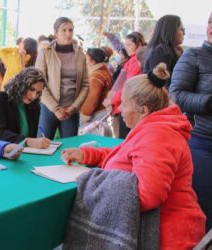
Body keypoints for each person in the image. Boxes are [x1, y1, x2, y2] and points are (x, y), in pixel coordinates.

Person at [62, 63, 206, 249]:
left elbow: (146, 195)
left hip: (166, 240)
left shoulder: (158, 135)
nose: (119, 109)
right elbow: (127, 155)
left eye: (124, 103)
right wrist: (88, 154)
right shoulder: (153, 127)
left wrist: (94, 179)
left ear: (143, 110)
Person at [169, 12, 212, 230]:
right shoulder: (193, 56)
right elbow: (175, 94)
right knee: (204, 208)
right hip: (202, 143)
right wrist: (208, 102)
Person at [35, 17, 89, 139]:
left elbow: (85, 84)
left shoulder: (81, 54)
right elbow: (38, 84)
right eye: (64, 30)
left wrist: (74, 107)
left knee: (69, 149)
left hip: (71, 110)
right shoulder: (45, 53)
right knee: (42, 145)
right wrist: (56, 108)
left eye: (70, 30)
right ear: (55, 33)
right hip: (49, 107)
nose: (68, 33)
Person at [0, 67, 51, 149]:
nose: (34, 96)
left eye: (38, 92)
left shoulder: (34, 106)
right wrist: (27, 141)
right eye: (31, 89)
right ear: (20, 84)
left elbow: (32, 137)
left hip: (22, 152)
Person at [108, 31, 146, 138]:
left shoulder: (135, 62)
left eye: (129, 45)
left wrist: (112, 100)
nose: (127, 48)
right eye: (126, 45)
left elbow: (128, 87)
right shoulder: (131, 61)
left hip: (127, 106)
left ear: (138, 45)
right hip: (123, 105)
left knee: (123, 140)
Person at [143, 14, 185, 87]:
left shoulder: (171, 50)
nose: (184, 33)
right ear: (170, 31)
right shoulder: (161, 51)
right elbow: (161, 82)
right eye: (181, 29)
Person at [80, 48, 112, 128]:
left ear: (93, 62)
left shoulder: (96, 76)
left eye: (86, 59)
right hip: (102, 111)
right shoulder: (103, 71)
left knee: (91, 137)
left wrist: (84, 115)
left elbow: (91, 100)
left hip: (96, 113)